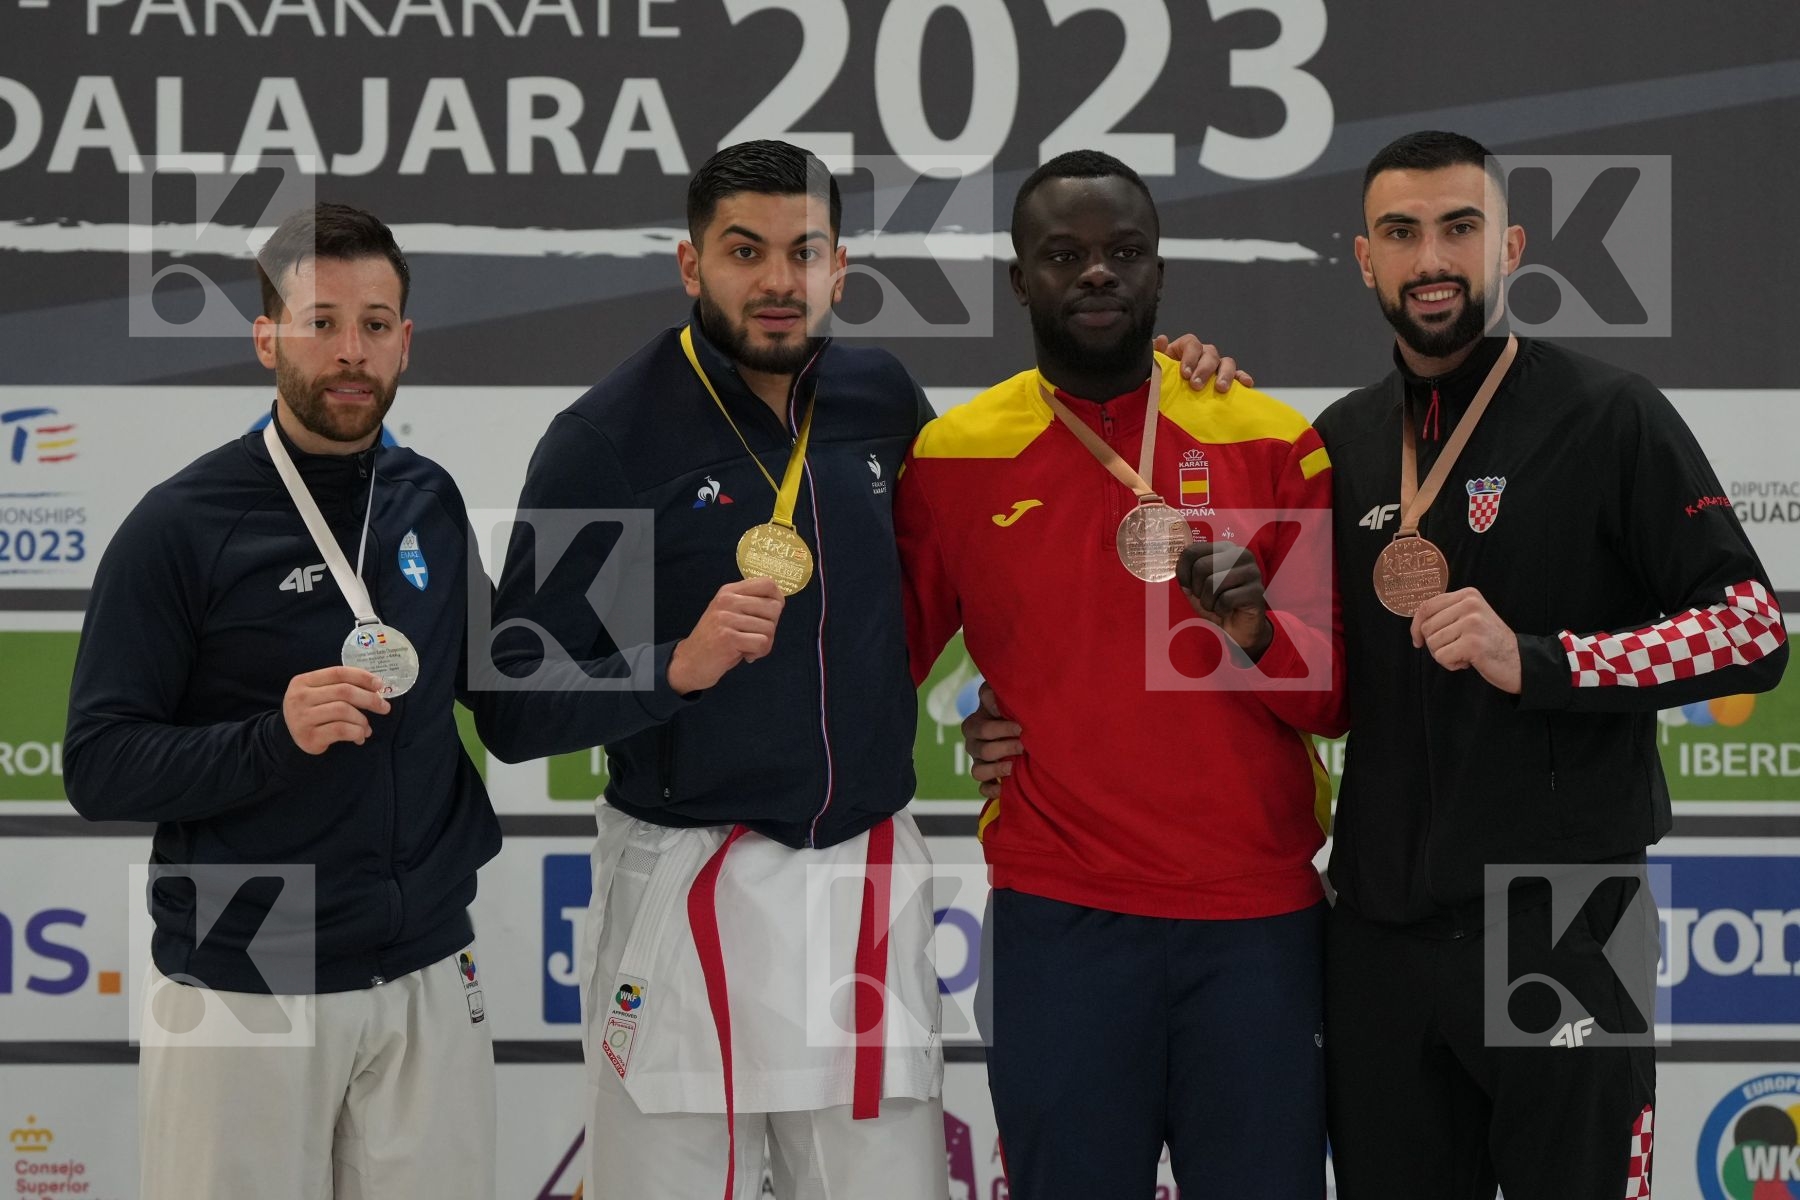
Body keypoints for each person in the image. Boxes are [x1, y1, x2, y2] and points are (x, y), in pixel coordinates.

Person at [486, 139, 1242, 1200]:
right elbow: (514, 693)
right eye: (745, 251)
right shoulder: (612, 437)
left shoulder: (878, 399)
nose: (778, 281)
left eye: (805, 252)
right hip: (687, 878)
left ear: (840, 266)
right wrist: (675, 666)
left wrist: (1176, 377)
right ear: (689, 264)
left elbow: (999, 556)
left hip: (861, 879)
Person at [62, 203, 617, 1200]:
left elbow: (511, 707)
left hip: (425, 961)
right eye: (320, 321)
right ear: (266, 332)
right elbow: (100, 765)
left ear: (404, 339)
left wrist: (680, 671)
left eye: (374, 324)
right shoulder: (183, 525)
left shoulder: (428, 499)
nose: (349, 352)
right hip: (254, 951)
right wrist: (275, 737)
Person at [1313, 129, 1788, 1199]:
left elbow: (1751, 629)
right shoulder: (1340, 439)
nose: (1431, 257)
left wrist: (1544, 661)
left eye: (1459, 228)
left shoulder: (1608, 413)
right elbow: (1305, 674)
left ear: (1511, 245)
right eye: (1402, 233)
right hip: (1378, 929)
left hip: (1564, 912)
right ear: (1364, 259)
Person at [896, 149, 1346, 1200]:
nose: (1096, 274)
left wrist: (1253, 630)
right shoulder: (953, 458)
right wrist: (973, 712)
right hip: (1061, 921)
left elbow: (1337, 695)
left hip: (1257, 923)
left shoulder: (1272, 440)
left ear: (1160, 272)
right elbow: (881, 677)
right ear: (1019, 279)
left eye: (1123, 253)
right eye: (1063, 255)